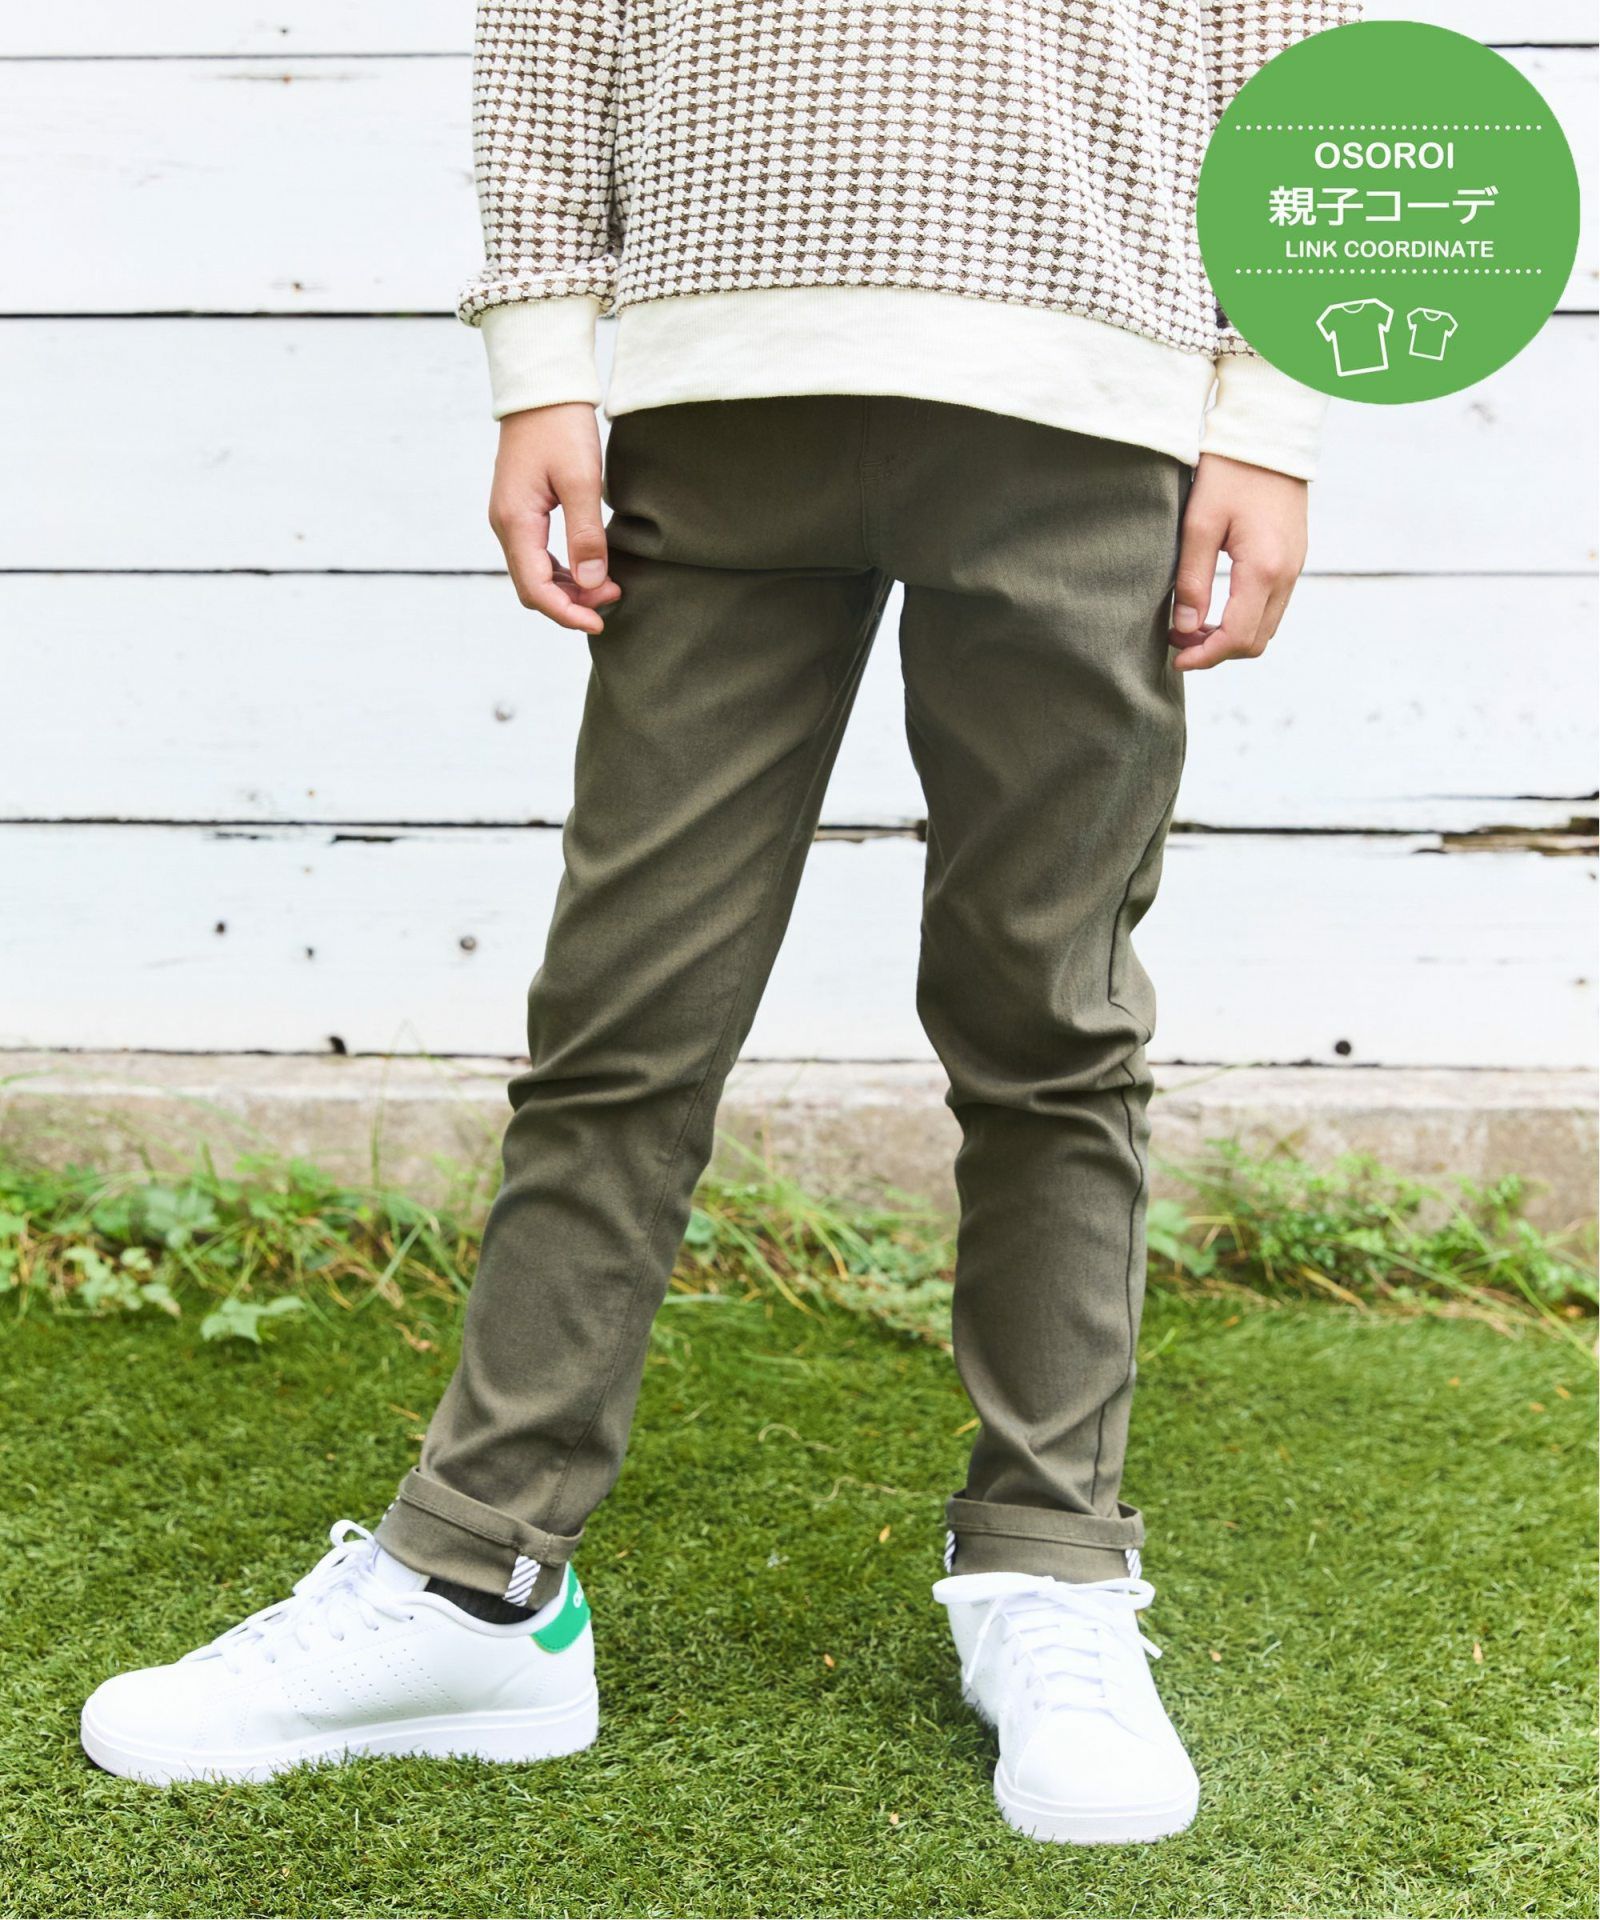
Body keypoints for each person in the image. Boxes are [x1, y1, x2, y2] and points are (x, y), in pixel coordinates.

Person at [82, 0, 1356, 1844]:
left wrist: (1274, 412)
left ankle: (1051, 1564)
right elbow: (555, 21)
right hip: (717, 377)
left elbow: (1293, 41)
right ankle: (476, 1584)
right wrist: (540, 360)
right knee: (626, 1014)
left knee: (1050, 1019)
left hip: (1094, 383)